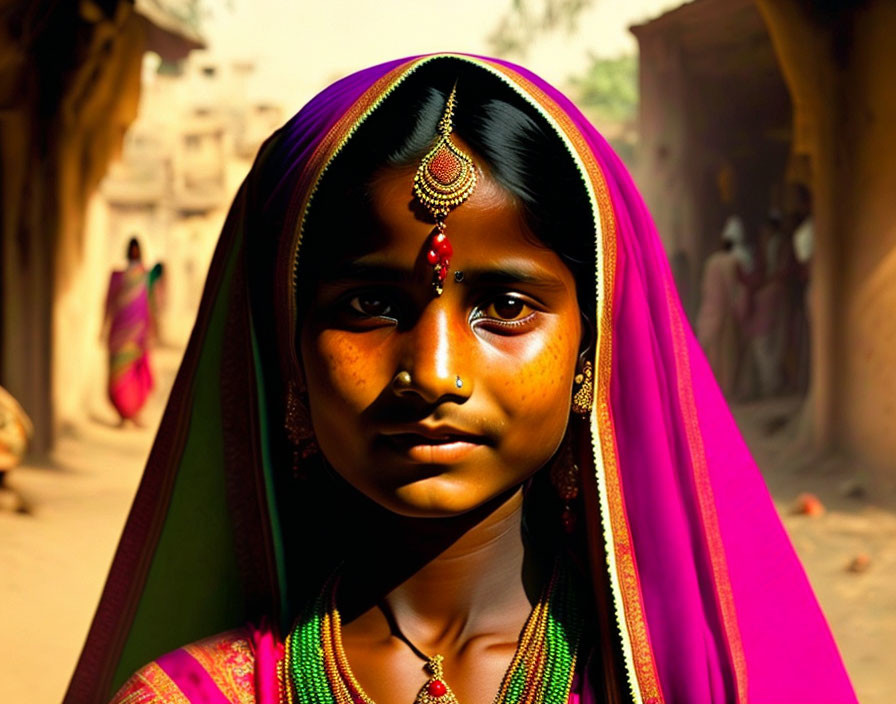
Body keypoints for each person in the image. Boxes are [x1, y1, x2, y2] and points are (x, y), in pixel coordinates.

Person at [66, 55, 856, 704]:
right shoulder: (191, 698)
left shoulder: (676, 684)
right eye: (371, 305)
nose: (433, 373)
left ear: (591, 349)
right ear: (288, 347)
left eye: (506, 307)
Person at [101, 236, 154, 426]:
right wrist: (103, 327)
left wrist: (152, 332)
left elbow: (151, 305)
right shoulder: (117, 276)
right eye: (131, 249)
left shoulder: (147, 276)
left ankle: (134, 413)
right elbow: (108, 302)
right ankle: (122, 415)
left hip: (138, 334)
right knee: (118, 376)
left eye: (136, 249)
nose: (134, 252)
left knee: (135, 375)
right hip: (119, 333)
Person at [695, 216, 750, 397]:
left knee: (711, 354)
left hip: (709, 312)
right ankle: (724, 393)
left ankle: (709, 392)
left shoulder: (711, 261)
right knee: (727, 356)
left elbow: (705, 287)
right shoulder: (733, 263)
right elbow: (735, 289)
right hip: (725, 314)